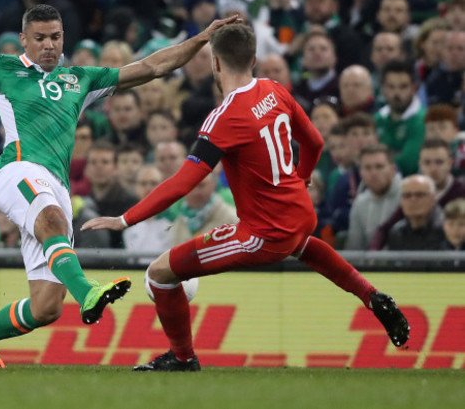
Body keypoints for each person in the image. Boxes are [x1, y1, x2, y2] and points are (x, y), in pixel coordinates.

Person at [0, 4, 239, 368]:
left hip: (57, 186)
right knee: (51, 218)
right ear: (23, 40)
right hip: (16, 169)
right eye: (40, 38)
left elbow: (153, 66)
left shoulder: (80, 78)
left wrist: (202, 38)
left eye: (56, 37)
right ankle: (88, 292)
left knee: (45, 308)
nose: (49, 45)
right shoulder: (3, 69)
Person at [82, 23, 410, 371]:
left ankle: (182, 358)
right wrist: (302, 177)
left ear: (216, 64)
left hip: (263, 234)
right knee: (301, 244)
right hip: (301, 212)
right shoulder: (275, 90)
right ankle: (371, 296)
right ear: (253, 59)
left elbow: (182, 183)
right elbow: (314, 142)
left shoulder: (223, 118)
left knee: (159, 274)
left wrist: (124, 219)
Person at [345, 144, 401, 250]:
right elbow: (354, 248)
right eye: (367, 168)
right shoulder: (359, 203)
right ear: (360, 173)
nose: (373, 173)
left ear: (393, 170)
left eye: (379, 167)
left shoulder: (409, 196)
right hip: (370, 265)